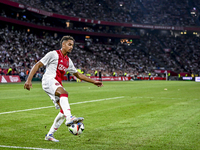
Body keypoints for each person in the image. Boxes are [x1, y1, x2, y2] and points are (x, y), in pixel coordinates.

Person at [24, 35, 103, 142]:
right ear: (63, 44)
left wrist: (94, 82)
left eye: (72, 45)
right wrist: (29, 80)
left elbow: (78, 75)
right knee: (64, 93)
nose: (71, 47)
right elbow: (38, 65)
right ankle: (69, 118)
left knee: (62, 111)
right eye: (69, 44)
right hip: (48, 80)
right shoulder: (53, 54)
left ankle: (50, 134)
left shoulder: (68, 61)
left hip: (56, 83)